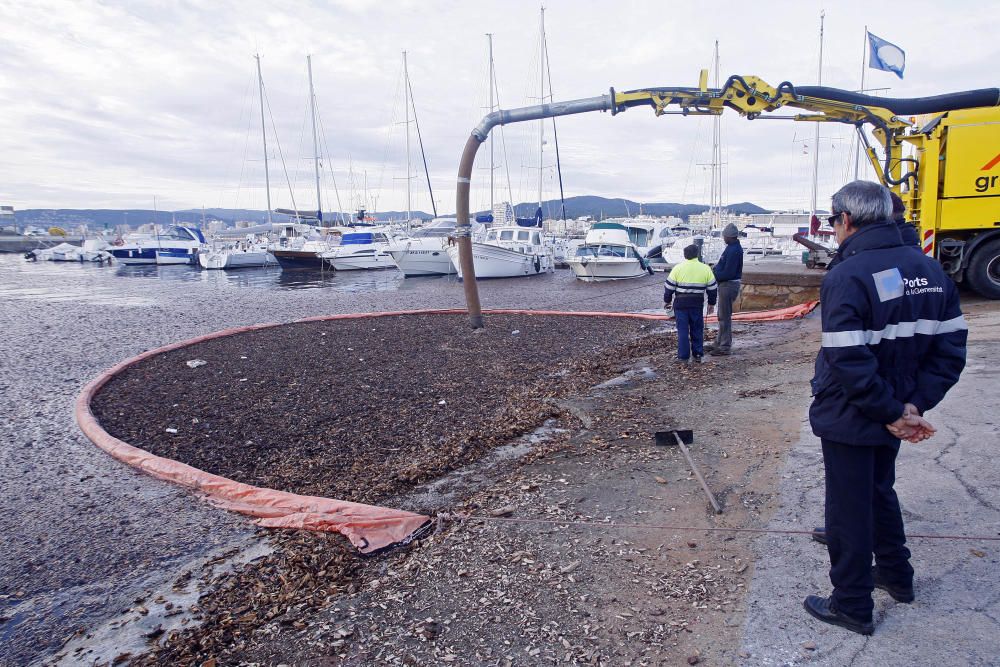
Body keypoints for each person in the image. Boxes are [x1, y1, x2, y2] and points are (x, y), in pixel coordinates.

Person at [804, 180, 967, 635]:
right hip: (895, 407)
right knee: (879, 492)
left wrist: (892, 412)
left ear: (847, 220)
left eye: (834, 222)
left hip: (854, 413)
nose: (834, 231)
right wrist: (911, 405)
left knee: (848, 508)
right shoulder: (930, 269)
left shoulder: (846, 275)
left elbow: (849, 359)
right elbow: (951, 350)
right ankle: (897, 576)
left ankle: (852, 604)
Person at [664, 244, 718, 363]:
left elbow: (668, 287)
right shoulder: (705, 269)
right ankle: (697, 354)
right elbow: (712, 288)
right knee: (697, 329)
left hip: (681, 304)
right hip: (697, 304)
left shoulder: (678, 268)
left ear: (685, 255)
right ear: (697, 254)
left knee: (682, 331)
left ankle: (683, 357)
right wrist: (711, 304)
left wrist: (667, 301)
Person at [708, 222, 743, 355]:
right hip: (727, 284)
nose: (723, 238)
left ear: (730, 236)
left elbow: (728, 273)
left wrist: (714, 274)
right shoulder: (732, 248)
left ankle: (725, 346)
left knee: (724, 316)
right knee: (721, 315)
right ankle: (719, 342)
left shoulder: (734, 250)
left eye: (724, 236)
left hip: (728, 285)